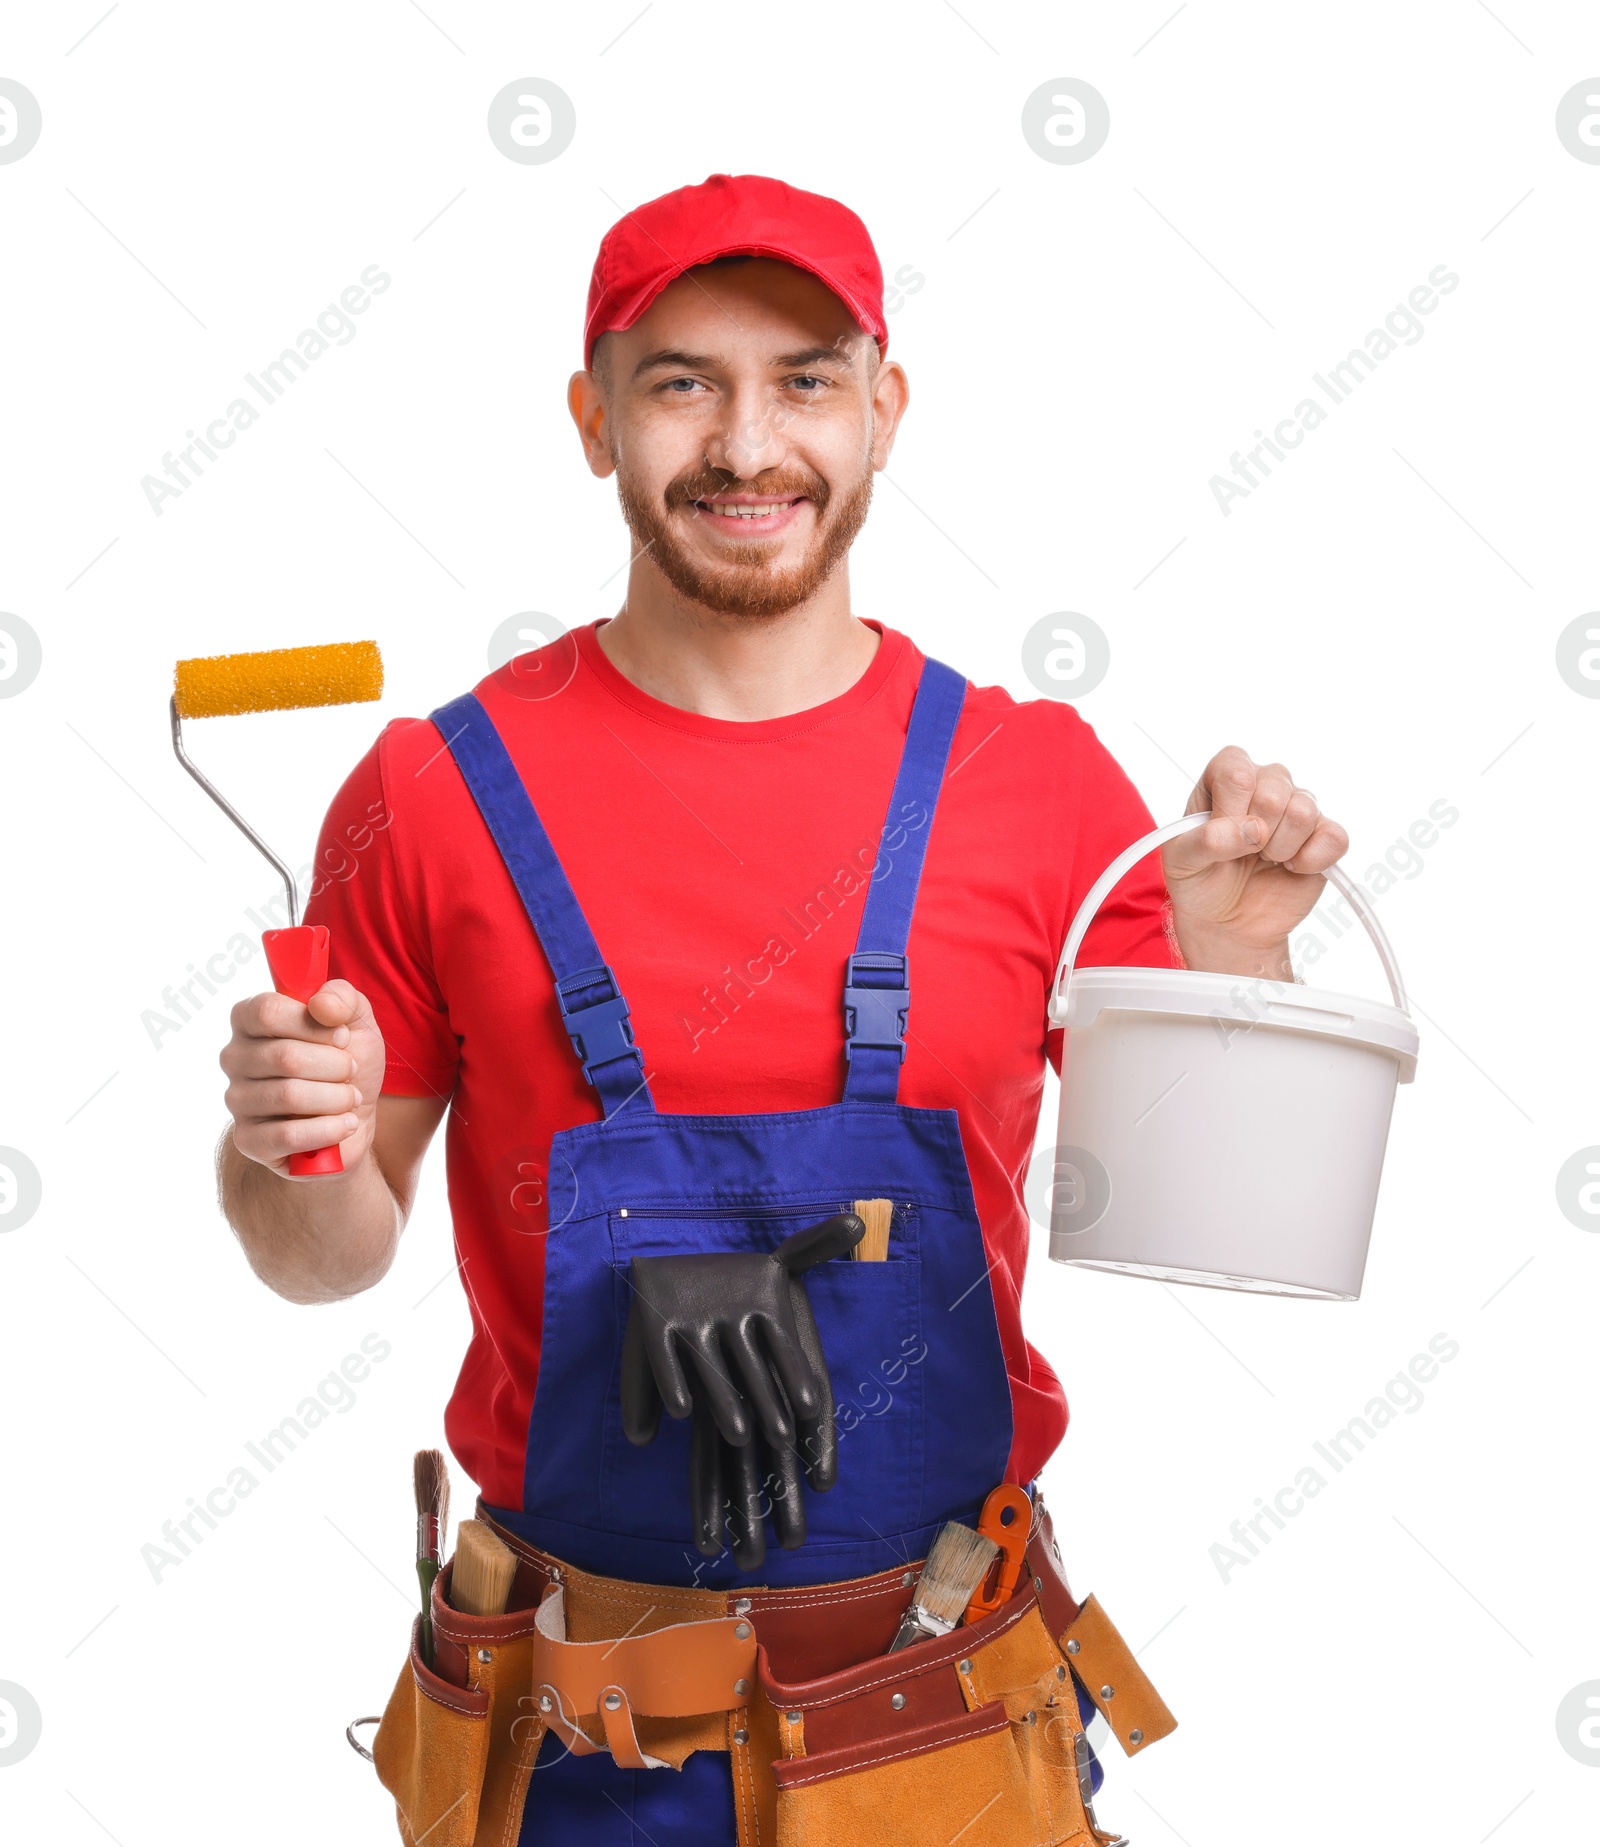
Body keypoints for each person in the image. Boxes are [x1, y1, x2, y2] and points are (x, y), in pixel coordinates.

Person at [216, 173, 1347, 1846]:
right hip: (573, 1750)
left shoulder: (1029, 784)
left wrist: (1241, 963)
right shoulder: (432, 791)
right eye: (682, 382)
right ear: (594, 418)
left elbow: (1209, 1231)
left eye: (806, 379)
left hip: (945, 1718)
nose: (749, 446)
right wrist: (289, 1144)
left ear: (884, 412)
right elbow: (326, 1259)